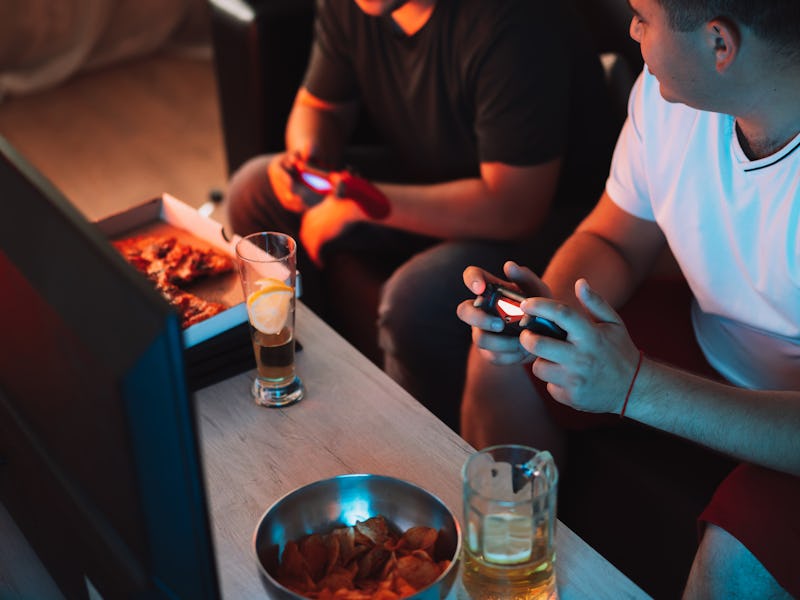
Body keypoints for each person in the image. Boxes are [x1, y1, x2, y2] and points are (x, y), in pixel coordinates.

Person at [456, 0, 800, 596]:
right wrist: (548, 312)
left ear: (721, 44)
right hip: (711, 339)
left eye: (642, 15)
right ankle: (511, 578)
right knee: (503, 364)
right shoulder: (673, 98)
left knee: (734, 564)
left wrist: (635, 386)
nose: (631, 29)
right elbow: (612, 239)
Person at [225, 0, 616, 431]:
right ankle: (307, 390)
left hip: (550, 217)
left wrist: (365, 206)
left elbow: (514, 207)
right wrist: (307, 159)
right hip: (433, 173)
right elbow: (319, 107)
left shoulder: (514, 22)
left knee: (416, 299)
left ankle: (421, 451)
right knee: (256, 190)